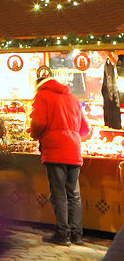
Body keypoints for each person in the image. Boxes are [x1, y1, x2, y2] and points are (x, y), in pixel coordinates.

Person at [31, 65, 91, 246]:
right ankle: (77, 235)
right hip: (73, 149)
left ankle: (62, 234)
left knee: (59, 194)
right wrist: (71, 136)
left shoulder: (42, 96)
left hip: (55, 150)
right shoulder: (73, 98)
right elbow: (86, 129)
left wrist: (36, 135)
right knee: (73, 194)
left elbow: (38, 123)